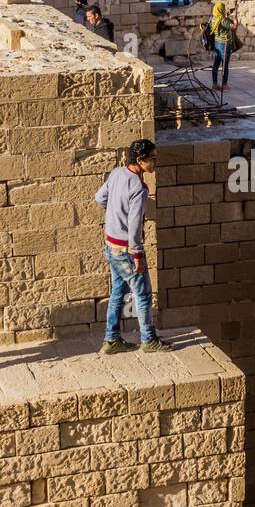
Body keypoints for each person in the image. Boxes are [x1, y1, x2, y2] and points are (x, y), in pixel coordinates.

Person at [96, 139, 172, 354]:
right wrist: (138, 253)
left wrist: (114, 214)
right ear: (140, 160)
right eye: (153, 159)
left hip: (111, 245)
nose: (155, 163)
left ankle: (111, 339)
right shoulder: (139, 187)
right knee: (143, 294)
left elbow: (100, 198)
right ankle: (148, 339)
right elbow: (134, 223)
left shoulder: (117, 173)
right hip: (127, 251)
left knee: (118, 292)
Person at [209, 1, 237, 90]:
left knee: (216, 64)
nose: (225, 10)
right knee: (225, 65)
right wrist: (235, 21)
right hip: (225, 44)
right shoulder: (223, 20)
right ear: (221, 10)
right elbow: (232, 27)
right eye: (223, 9)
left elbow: (222, 21)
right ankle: (225, 85)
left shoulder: (213, 18)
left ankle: (214, 84)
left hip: (217, 43)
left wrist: (228, 14)